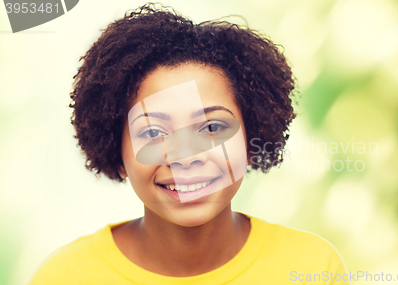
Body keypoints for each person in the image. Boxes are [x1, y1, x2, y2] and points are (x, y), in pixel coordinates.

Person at [28, 3, 349, 284]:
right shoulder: (64, 277)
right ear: (117, 151)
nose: (185, 155)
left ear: (252, 141)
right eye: (153, 132)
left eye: (211, 126)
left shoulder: (314, 268)